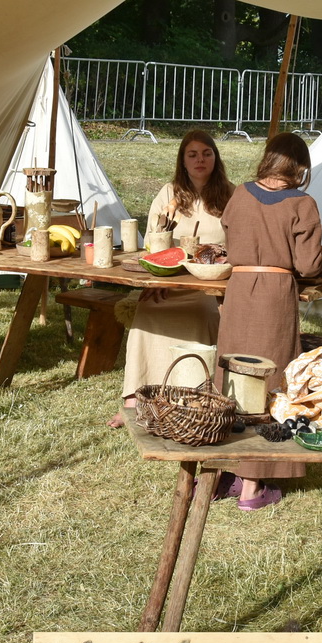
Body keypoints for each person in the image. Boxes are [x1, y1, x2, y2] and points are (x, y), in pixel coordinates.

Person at [214, 132, 322, 511]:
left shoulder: (241, 194)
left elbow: (230, 241)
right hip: (275, 294)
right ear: (299, 168)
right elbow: (309, 265)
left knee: (229, 377)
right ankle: (252, 485)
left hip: (239, 287)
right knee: (269, 382)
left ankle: (219, 473)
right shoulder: (302, 203)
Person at [112, 130, 234, 428]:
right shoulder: (169, 194)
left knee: (202, 314)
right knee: (146, 314)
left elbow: (239, 243)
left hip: (208, 285)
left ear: (215, 158)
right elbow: (155, 244)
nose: (200, 160)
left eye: (206, 153)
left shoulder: (230, 194)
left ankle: (193, 397)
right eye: (192, 154)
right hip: (171, 282)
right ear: (183, 160)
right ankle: (135, 400)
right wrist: (160, 281)